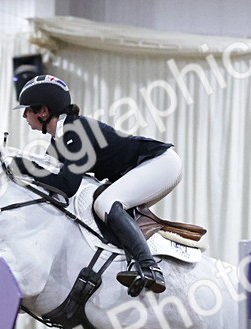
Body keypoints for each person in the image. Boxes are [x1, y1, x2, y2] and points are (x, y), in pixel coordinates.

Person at [11, 74, 182, 296]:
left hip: (160, 164)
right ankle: (134, 262)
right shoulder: (61, 138)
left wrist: (24, 167)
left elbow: (66, 185)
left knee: (106, 202)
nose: (24, 115)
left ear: (43, 111)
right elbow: (50, 180)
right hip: (146, 167)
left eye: (27, 109)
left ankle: (148, 267)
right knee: (103, 200)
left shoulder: (75, 131)